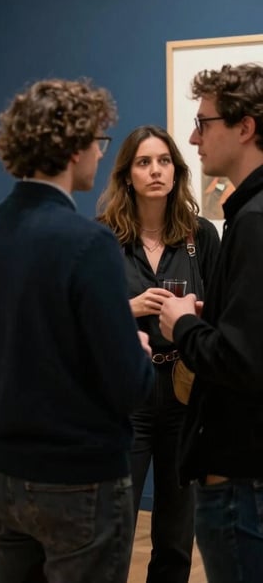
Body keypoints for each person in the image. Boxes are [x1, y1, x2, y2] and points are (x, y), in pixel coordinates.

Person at [0, 78, 154, 583]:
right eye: (98, 143)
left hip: (2, 475)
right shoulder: (89, 244)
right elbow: (130, 384)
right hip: (81, 478)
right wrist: (140, 351)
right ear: (74, 148)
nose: (100, 156)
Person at [98, 125, 220, 583]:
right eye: (144, 162)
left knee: (176, 528)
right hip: (127, 393)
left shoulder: (200, 236)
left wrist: (194, 315)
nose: (155, 171)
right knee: (115, 523)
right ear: (128, 175)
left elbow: (223, 315)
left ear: (176, 170)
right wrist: (125, 307)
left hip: (184, 392)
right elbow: (78, 317)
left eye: (164, 161)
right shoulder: (103, 239)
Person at [160, 63, 263, 583]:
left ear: (244, 127)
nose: (194, 137)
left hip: (242, 477)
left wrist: (183, 324)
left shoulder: (251, 221)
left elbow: (241, 360)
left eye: (205, 123)